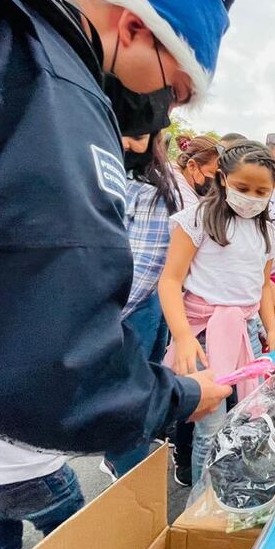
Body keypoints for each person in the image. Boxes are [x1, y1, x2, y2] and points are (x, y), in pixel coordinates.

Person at [0, 0, 232, 456]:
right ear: (134, 27)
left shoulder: (3, 24)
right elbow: (57, 358)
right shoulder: (58, 88)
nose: (165, 112)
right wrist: (174, 397)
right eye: (173, 92)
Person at [159, 140, 275, 484]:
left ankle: (232, 491)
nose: (251, 196)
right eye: (243, 187)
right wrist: (183, 337)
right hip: (201, 335)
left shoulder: (268, 232)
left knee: (248, 419)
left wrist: (271, 330)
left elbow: (262, 286)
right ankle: (200, 504)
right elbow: (170, 281)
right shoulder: (197, 218)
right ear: (223, 178)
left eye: (262, 191)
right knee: (210, 427)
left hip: (246, 336)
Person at [99, 132, 185, 480]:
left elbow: (146, 263)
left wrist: (100, 319)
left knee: (129, 394)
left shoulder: (148, 188)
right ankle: (121, 459)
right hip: (123, 304)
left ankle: (130, 475)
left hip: (131, 305)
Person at [171, 135, 222, 210]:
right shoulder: (182, 198)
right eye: (213, 174)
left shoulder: (192, 189)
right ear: (192, 166)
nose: (217, 182)